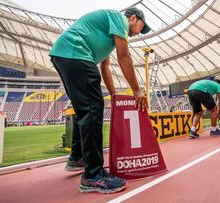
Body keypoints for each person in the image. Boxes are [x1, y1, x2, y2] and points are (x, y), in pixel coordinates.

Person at [49, 7, 150, 193]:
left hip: (64, 55)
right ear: (133, 18)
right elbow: (124, 56)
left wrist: (113, 95)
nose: (138, 33)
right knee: (92, 110)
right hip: (76, 53)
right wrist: (137, 90)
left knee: (86, 110)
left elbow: (106, 67)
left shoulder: (108, 36)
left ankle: (77, 157)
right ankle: (93, 175)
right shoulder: (119, 19)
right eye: (140, 27)